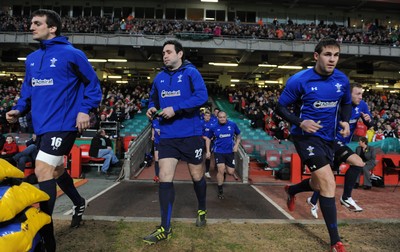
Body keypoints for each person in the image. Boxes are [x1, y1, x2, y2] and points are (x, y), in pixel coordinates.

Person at [6, 9, 102, 251]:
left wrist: (85, 110)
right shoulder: (30, 59)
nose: (31, 26)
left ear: (52, 28)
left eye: (37, 23)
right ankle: (79, 202)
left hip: (65, 124)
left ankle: (48, 240)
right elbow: (27, 91)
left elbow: (93, 84)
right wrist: (19, 109)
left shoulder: (72, 54)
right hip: (43, 126)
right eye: (31, 22)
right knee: (57, 169)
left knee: (43, 169)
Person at [276, 38, 351, 252]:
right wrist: (301, 122)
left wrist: (345, 120)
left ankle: (292, 190)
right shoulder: (299, 80)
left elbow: (345, 102)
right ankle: (335, 241)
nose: (332, 59)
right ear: (316, 56)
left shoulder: (342, 80)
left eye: (336, 55)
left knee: (318, 185)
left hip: (329, 137)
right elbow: (280, 108)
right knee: (328, 183)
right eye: (328, 54)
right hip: (305, 137)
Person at [143, 40, 208, 245]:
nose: (165, 55)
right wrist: (152, 108)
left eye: (169, 52)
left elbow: (202, 97)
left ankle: (202, 208)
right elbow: (152, 99)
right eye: (163, 52)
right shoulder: (159, 77)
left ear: (180, 54)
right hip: (168, 135)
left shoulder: (191, 73)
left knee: (197, 176)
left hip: (191, 134)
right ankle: (165, 228)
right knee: (164, 177)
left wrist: (176, 108)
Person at [306, 83, 374, 218]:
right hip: (331, 142)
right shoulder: (337, 104)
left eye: (362, 93)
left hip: (342, 143)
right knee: (358, 162)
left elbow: (371, 124)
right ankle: (346, 197)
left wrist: (368, 121)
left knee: (327, 179)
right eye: (358, 94)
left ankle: (312, 200)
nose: (361, 97)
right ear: (349, 95)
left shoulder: (362, 105)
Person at [205, 111, 241, 199]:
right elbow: (208, 139)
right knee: (220, 169)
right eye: (220, 117)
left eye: (224, 117)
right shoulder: (213, 127)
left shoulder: (232, 124)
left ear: (226, 117)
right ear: (217, 118)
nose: (222, 119)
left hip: (230, 152)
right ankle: (220, 190)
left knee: (231, 172)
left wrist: (236, 145)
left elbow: (239, 135)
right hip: (219, 151)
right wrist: (208, 151)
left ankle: (225, 172)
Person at [202, 110, 213, 179]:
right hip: (201, 141)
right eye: (206, 116)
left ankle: (207, 171)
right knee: (199, 156)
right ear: (204, 116)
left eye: (209, 116)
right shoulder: (201, 123)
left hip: (210, 142)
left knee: (208, 156)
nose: (207, 117)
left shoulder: (213, 124)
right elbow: (199, 133)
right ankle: (199, 170)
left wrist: (212, 137)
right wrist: (204, 137)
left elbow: (214, 132)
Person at [151, 117, 161, 182]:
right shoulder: (154, 121)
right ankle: (157, 175)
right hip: (156, 142)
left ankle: (163, 175)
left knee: (163, 159)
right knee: (156, 159)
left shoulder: (164, 122)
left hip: (164, 143)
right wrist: (152, 135)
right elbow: (153, 128)